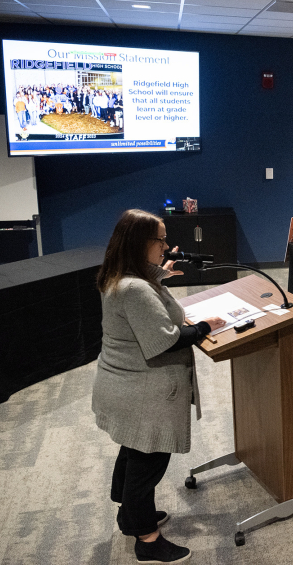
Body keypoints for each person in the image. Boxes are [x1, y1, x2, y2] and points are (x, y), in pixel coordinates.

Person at [91, 209, 225, 564]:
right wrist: (207, 326)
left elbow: (146, 313)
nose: (167, 246)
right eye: (160, 239)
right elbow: (164, 340)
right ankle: (146, 540)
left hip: (121, 385)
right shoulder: (135, 288)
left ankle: (129, 516)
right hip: (142, 395)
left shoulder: (122, 276)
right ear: (139, 243)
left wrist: (158, 278)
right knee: (148, 462)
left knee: (135, 452)